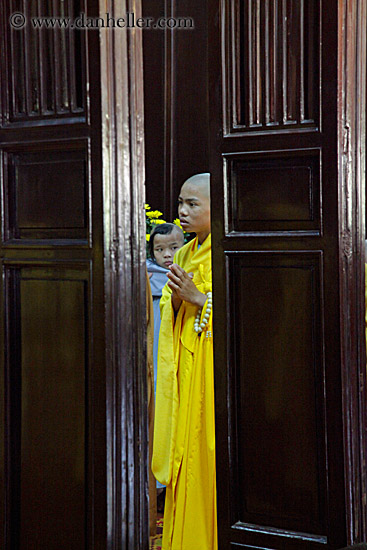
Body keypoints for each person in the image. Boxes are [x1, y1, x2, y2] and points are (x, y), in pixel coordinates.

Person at [152, 173, 217, 550]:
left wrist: (199, 299)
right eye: (181, 203)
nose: (182, 212)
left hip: (211, 373)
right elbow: (170, 310)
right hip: (186, 371)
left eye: (193, 205)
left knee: (205, 453)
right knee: (184, 453)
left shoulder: (229, 250)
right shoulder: (183, 253)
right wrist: (176, 300)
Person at [147, 223, 185, 509]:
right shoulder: (147, 276)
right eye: (160, 250)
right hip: (156, 351)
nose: (168, 255)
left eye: (173, 248)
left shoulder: (190, 270)